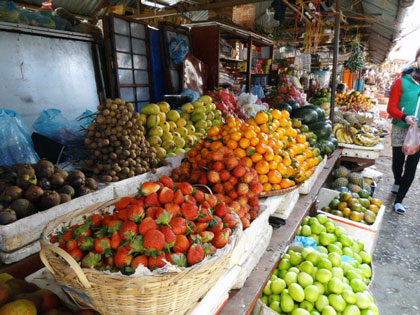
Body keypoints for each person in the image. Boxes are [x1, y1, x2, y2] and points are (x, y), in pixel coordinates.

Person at [387, 47, 420, 214]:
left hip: (419, 132)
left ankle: (399, 200)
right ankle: (397, 181)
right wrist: (404, 116)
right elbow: (390, 108)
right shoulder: (402, 81)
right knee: (397, 163)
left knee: (412, 166)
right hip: (401, 127)